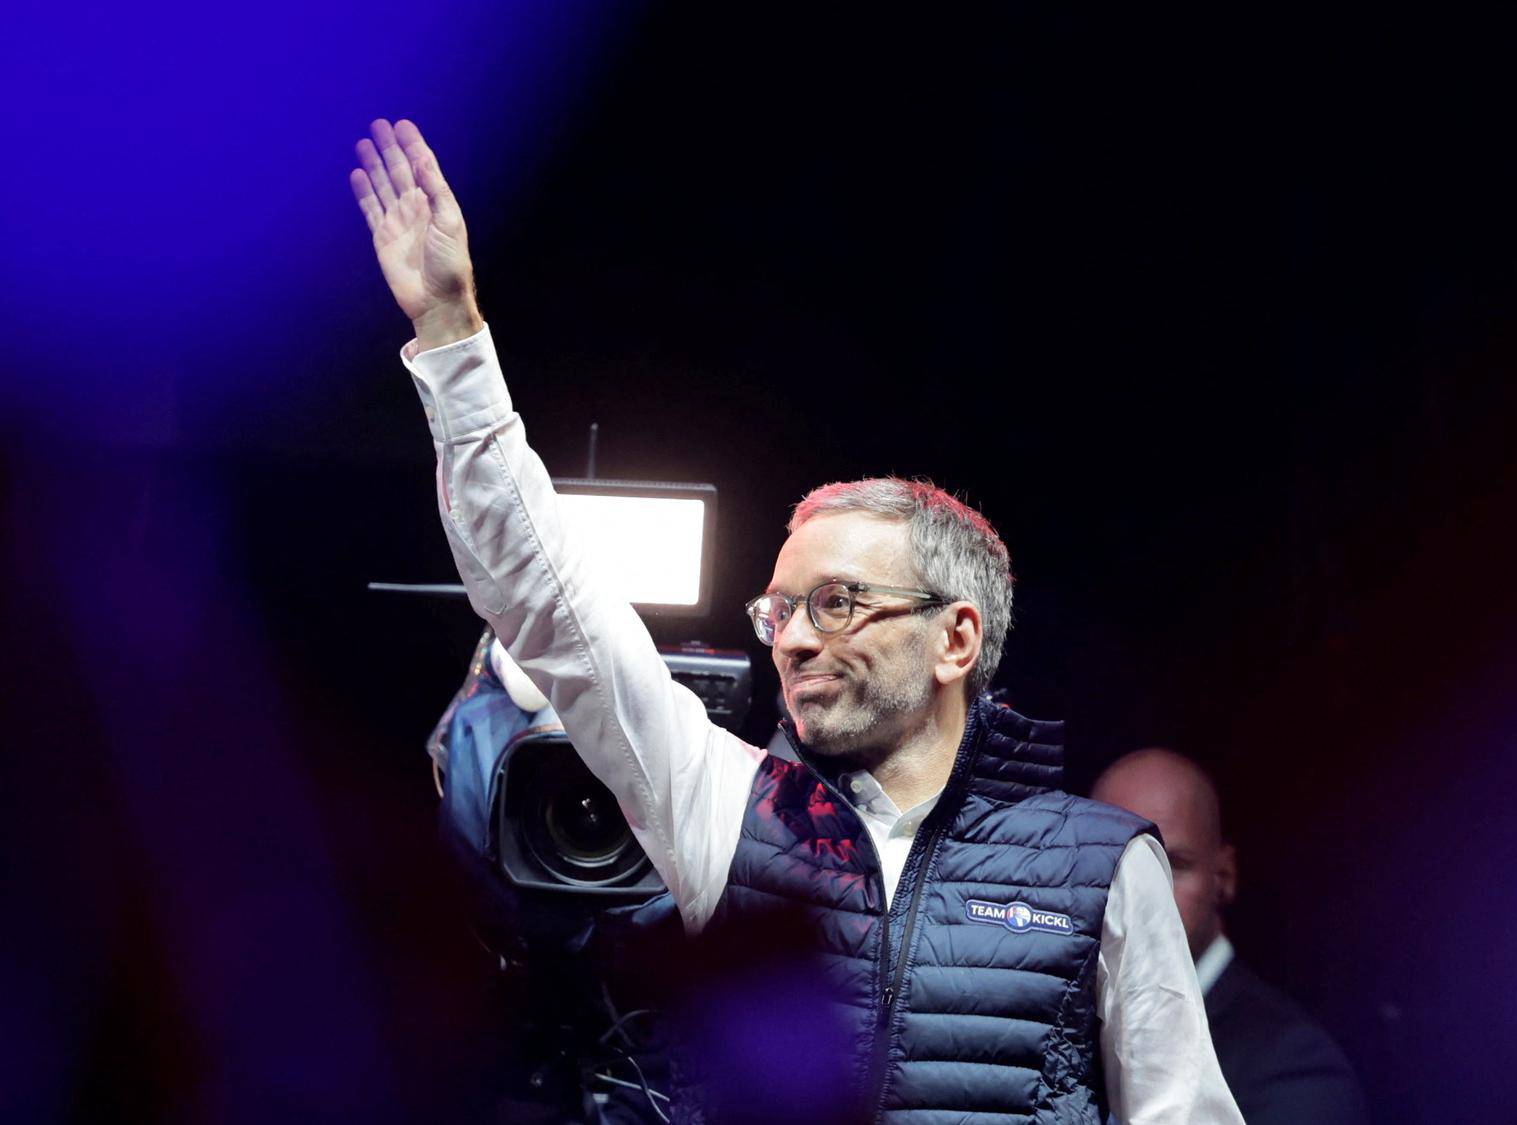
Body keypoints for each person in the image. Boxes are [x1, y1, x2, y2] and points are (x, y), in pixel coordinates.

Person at [351, 117, 1242, 1123]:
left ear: (955, 639)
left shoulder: (1100, 865)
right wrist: (452, 337)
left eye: (840, 602)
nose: (796, 636)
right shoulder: (723, 807)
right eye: (780, 608)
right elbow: (545, 599)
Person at [1092, 748, 1369, 1125]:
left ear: (1223, 876)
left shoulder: (1292, 1069)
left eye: (1173, 865)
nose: (1143, 896)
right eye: (1114, 866)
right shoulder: (1059, 1032)